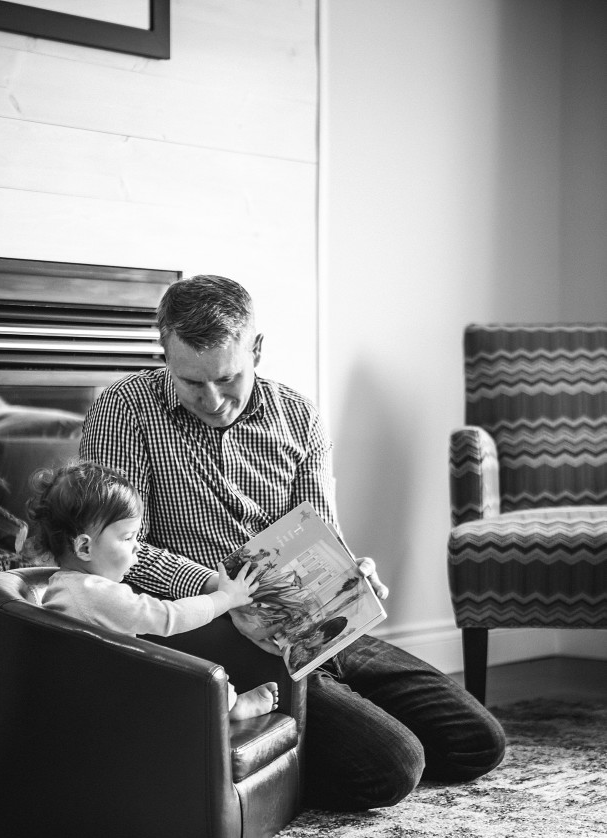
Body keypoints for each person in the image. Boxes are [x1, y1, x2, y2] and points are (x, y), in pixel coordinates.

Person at [79, 275, 506, 811]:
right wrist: (220, 589)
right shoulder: (124, 410)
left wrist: (350, 573)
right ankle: (289, 755)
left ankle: (322, 720)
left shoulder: (298, 416)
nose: (212, 400)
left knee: (478, 744)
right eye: (191, 383)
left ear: (257, 349)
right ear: (163, 351)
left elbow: (320, 533)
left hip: (312, 624)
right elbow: (119, 550)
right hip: (213, 632)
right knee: (395, 767)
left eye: (228, 378)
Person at [25, 460, 278, 722]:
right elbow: (169, 616)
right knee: (200, 678)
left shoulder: (64, 586)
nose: (137, 548)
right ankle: (232, 706)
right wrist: (224, 598)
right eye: (127, 538)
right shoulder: (93, 593)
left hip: (101, 692)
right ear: (84, 548)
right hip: (112, 703)